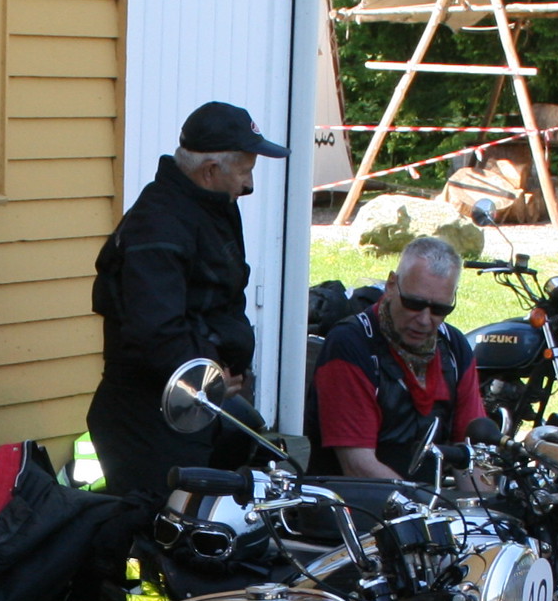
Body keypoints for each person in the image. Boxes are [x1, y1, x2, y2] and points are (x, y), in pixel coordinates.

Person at [86, 101, 286, 498]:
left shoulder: (213, 206)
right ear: (210, 171)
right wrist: (210, 376)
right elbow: (155, 333)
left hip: (198, 408)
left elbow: (224, 297)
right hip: (150, 417)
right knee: (165, 526)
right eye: (244, 171)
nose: (248, 185)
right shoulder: (158, 226)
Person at [309, 236, 487, 480]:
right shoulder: (351, 344)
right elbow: (357, 466)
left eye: (440, 309)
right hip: (355, 499)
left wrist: (487, 502)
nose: (424, 320)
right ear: (392, 285)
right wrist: (420, 503)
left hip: (427, 498)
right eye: (414, 304)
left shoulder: (455, 348)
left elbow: (473, 459)